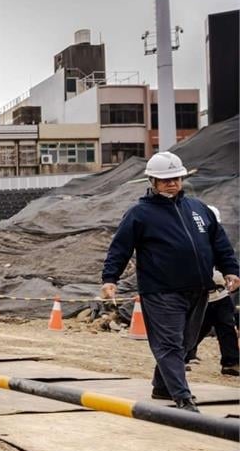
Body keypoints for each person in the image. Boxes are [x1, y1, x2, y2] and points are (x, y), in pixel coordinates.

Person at [102, 152, 240, 411]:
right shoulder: (140, 213)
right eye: (165, 180)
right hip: (161, 291)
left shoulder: (199, 209)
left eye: (176, 178)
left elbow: (219, 243)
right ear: (152, 181)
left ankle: (162, 387)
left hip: (198, 289)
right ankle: (182, 397)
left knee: (187, 342)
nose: (172, 183)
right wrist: (110, 278)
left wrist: (231, 270)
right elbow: (120, 247)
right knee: (169, 343)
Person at [185, 206, 240, 377]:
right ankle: (182, 357)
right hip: (199, 295)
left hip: (220, 294)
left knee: (226, 326)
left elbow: (227, 258)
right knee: (196, 328)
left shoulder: (219, 242)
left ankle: (231, 362)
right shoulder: (191, 243)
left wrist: (231, 274)